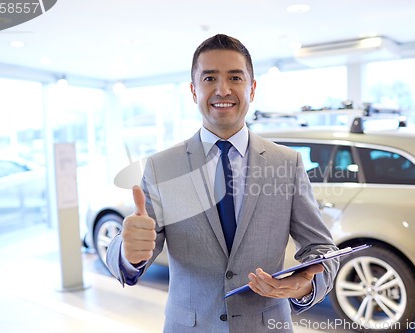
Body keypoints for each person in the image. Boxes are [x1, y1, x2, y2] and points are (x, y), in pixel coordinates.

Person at [106, 34, 339, 333]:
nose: (223, 89)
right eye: (209, 78)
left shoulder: (286, 164)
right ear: (193, 91)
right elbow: (133, 251)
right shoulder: (162, 167)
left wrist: (303, 286)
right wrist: (128, 251)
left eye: (235, 77)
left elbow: (322, 249)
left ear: (252, 88)